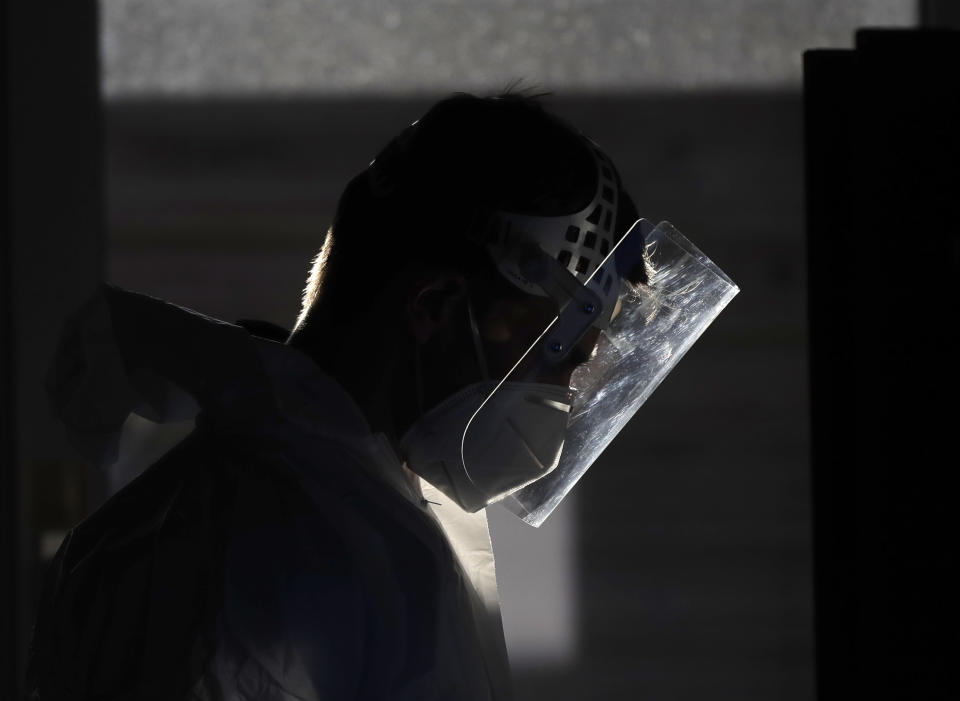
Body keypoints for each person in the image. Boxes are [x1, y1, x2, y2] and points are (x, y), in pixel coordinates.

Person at [26, 92, 737, 700]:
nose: (564, 391)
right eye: (555, 355)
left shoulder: (362, 500)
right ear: (433, 306)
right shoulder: (267, 546)